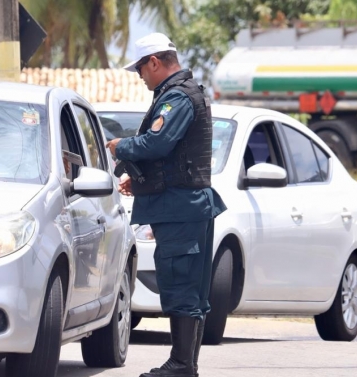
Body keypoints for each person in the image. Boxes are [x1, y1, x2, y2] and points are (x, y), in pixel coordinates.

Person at [105, 33, 227, 377]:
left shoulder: (177, 98)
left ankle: (181, 365)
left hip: (180, 210)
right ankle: (187, 365)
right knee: (189, 288)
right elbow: (175, 156)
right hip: (183, 206)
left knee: (181, 286)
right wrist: (140, 180)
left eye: (141, 68)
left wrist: (120, 147)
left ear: (155, 62)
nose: (140, 75)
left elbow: (157, 142)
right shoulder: (183, 93)